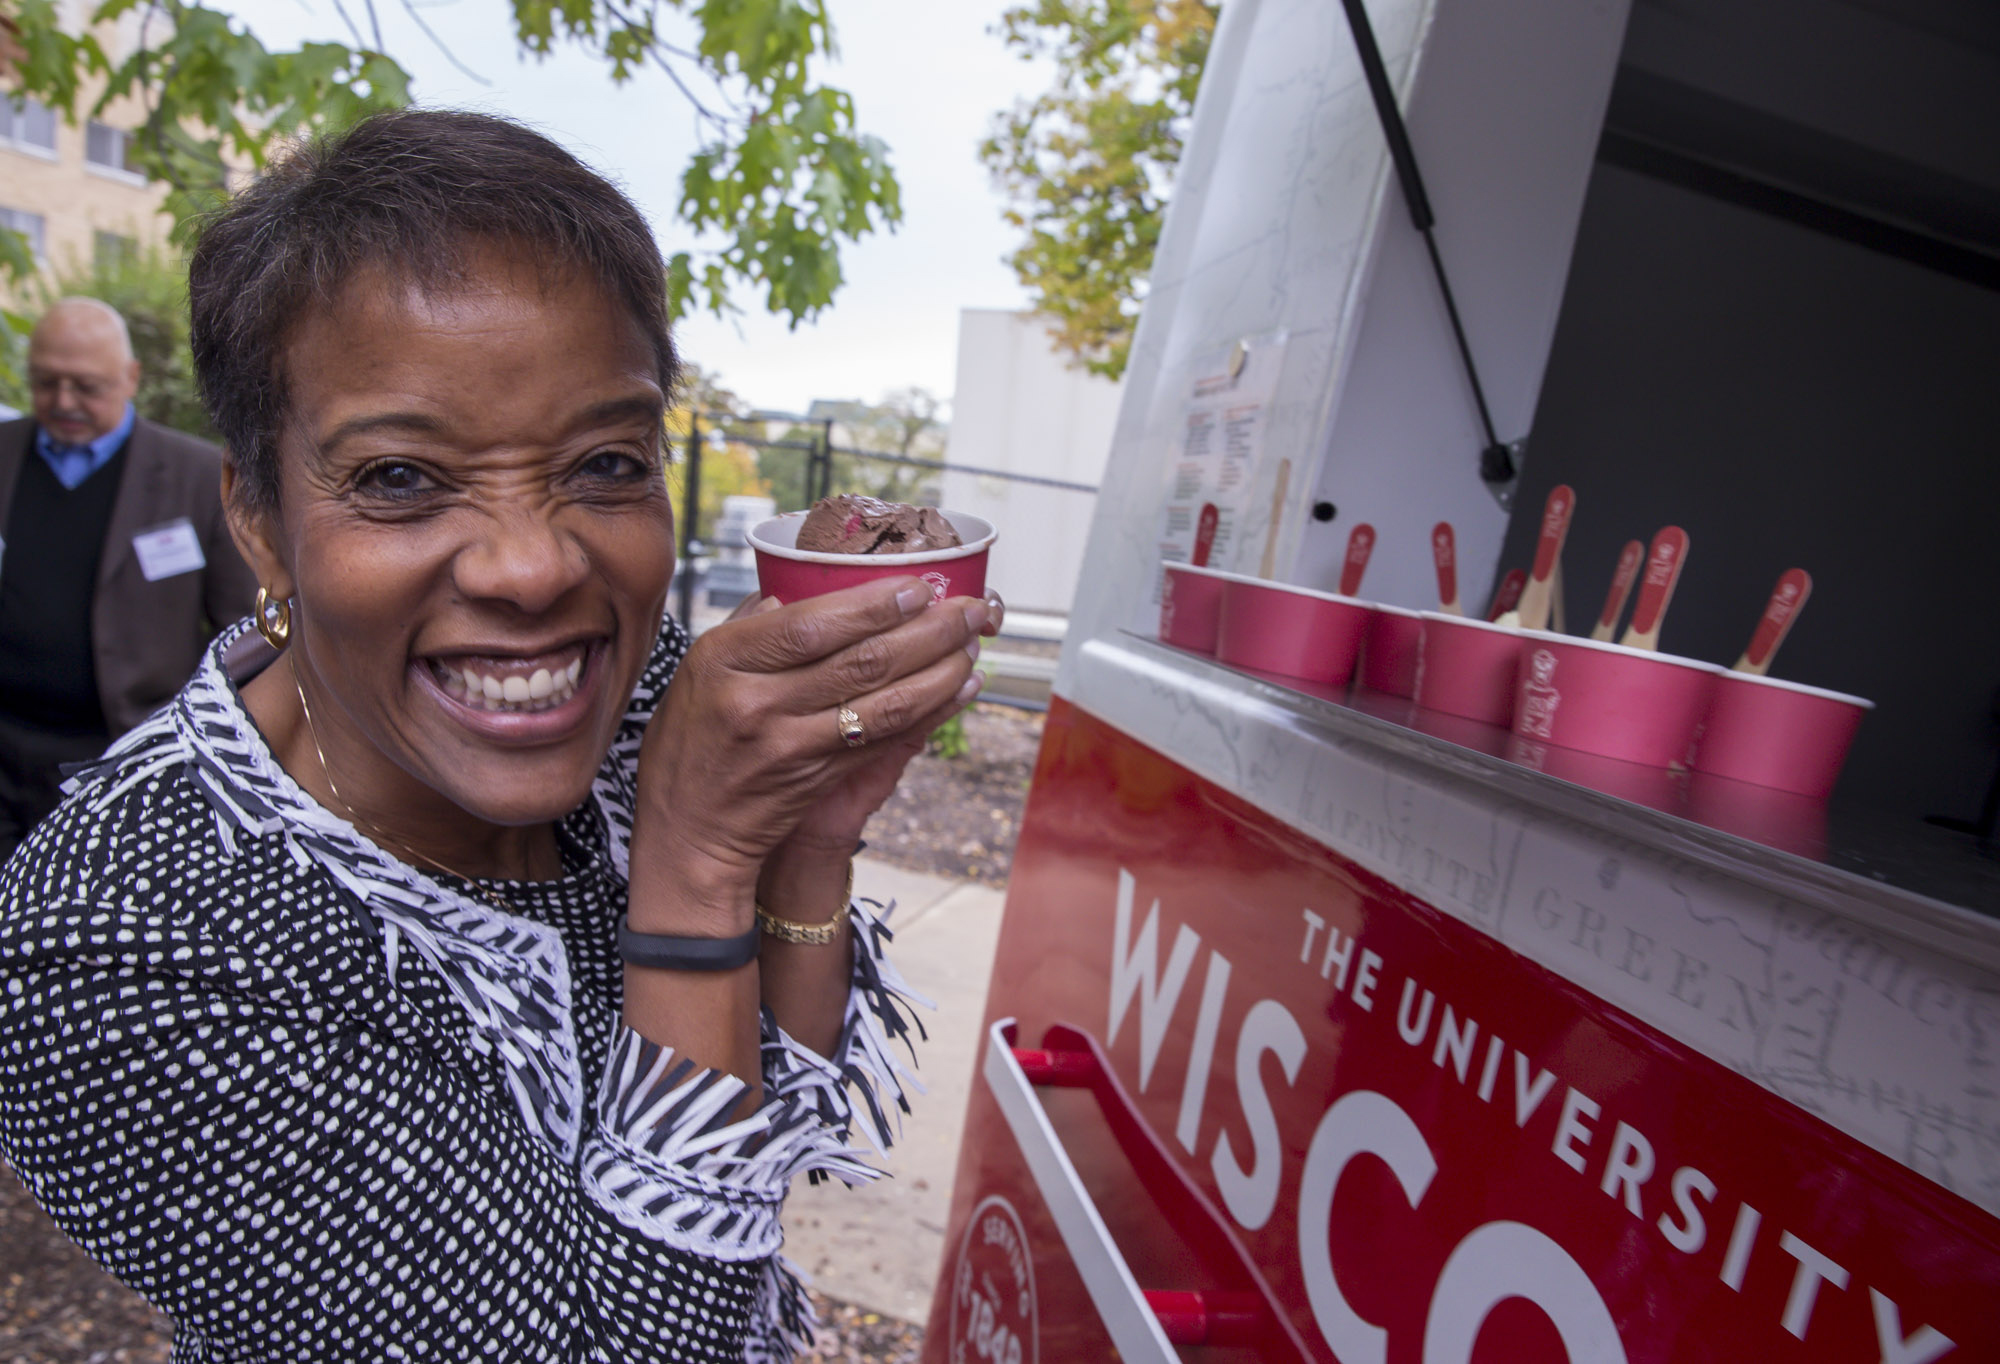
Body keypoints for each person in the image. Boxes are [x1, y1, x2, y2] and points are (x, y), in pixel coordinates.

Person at [0, 110, 1000, 1361]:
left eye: (604, 461)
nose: (533, 568)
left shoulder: (640, 704)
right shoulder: (120, 940)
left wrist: (801, 834)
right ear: (255, 514)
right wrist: (690, 874)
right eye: (401, 479)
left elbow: (771, 1143)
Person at [0, 298, 257, 857]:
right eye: (47, 383)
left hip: (123, 757)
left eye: (86, 386)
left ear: (130, 378)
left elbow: (244, 629)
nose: (64, 401)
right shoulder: (4, 453)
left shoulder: (195, 477)